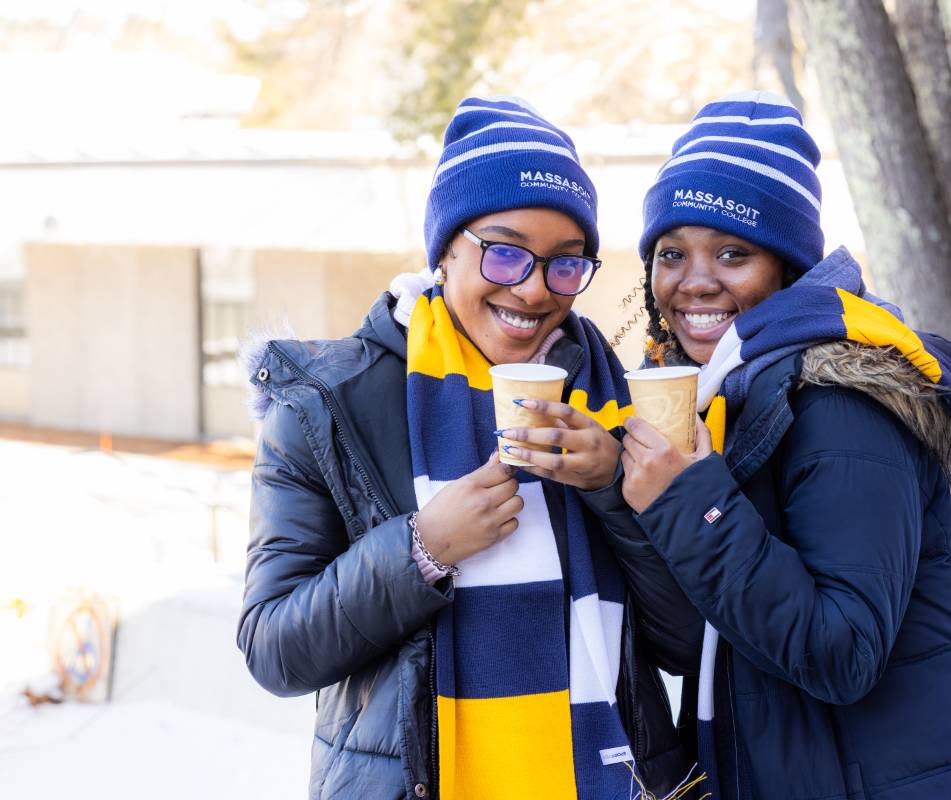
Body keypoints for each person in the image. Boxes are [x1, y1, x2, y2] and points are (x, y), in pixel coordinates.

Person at [237, 96, 701, 800]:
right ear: (447, 249)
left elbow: (684, 641)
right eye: (506, 253)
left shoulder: (616, 402)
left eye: (565, 264)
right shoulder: (328, 407)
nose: (536, 289)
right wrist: (421, 548)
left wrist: (613, 486)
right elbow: (274, 649)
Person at [612, 91, 951, 799]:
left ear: (787, 270)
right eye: (672, 253)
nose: (695, 280)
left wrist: (687, 501)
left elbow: (842, 652)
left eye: (733, 253)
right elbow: (707, 628)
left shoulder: (840, 403)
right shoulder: (728, 395)